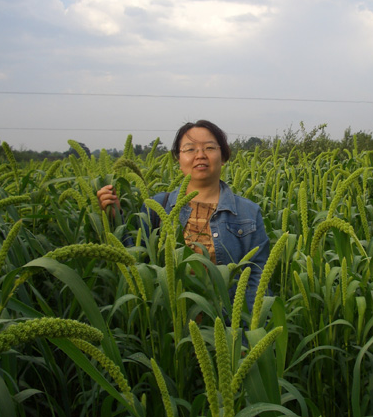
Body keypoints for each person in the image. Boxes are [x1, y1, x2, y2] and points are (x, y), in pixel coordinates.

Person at [97, 120, 270, 313]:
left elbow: (258, 278)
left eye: (209, 147)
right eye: (190, 149)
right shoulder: (157, 207)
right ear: (178, 160)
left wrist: (248, 327)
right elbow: (135, 262)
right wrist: (115, 218)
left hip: (228, 324)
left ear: (223, 157)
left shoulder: (248, 212)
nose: (200, 155)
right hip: (167, 323)